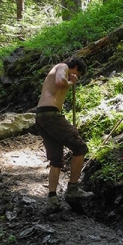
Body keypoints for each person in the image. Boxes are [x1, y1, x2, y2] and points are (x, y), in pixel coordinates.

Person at [34, 56, 93, 214]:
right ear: (75, 68)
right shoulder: (63, 67)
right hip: (51, 116)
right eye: (78, 74)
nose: (76, 77)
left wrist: (71, 82)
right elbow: (61, 82)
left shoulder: (57, 70)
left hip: (42, 116)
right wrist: (72, 82)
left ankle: (52, 200)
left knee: (56, 160)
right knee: (80, 147)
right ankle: (73, 189)